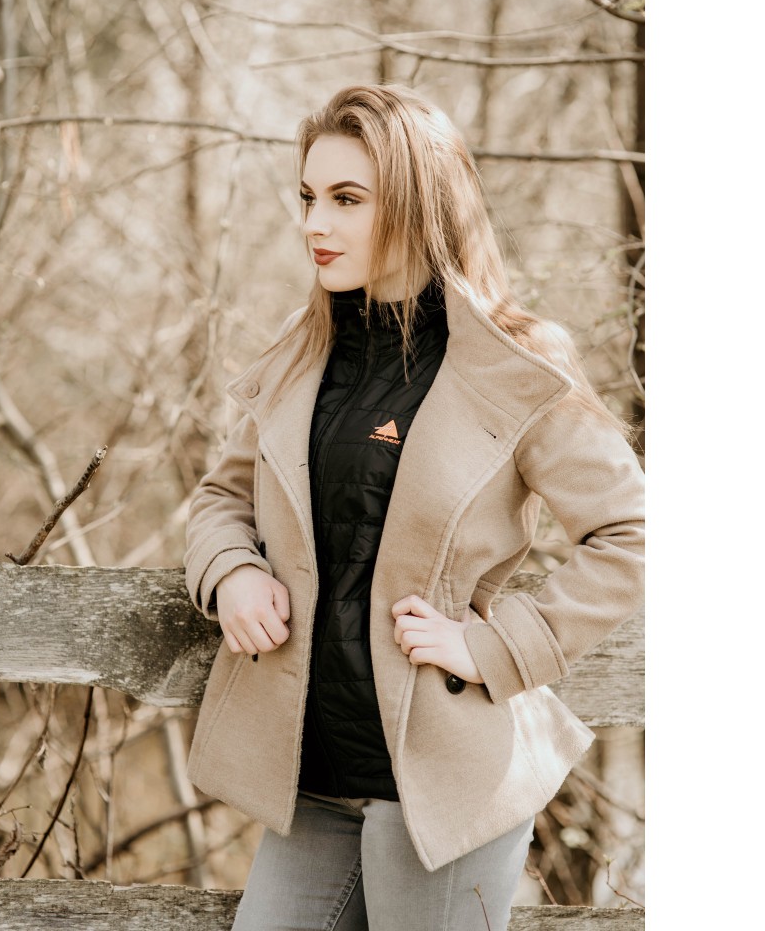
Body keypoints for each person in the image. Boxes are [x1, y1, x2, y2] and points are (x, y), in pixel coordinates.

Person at [183, 83, 644, 931]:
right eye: (308, 197)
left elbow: (632, 533)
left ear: (418, 202)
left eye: (347, 199)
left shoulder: (514, 361)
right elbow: (221, 497)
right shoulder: (304, 350)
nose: (315, 224)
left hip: (444, 783)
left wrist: (499, 647)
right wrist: (232, 573)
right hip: (313, 779)